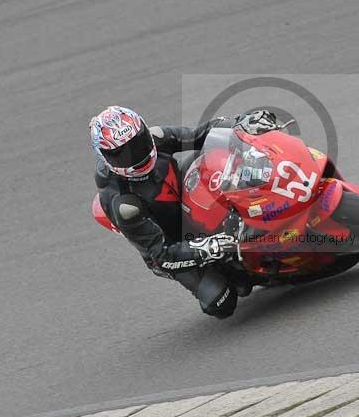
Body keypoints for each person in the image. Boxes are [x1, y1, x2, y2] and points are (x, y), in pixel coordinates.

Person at [90, 106, 278, 319]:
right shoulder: (123, 204)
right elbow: (161, 255)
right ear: (105, 156)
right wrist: (208, 248)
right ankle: (237, 270)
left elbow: (201, 135)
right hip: (171, 241)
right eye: (122, 154)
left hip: (183, 192)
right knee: (221, 300)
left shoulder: (156, 137)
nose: (137, 155)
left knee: (221, 154)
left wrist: (242, 123)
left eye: (138, 143)